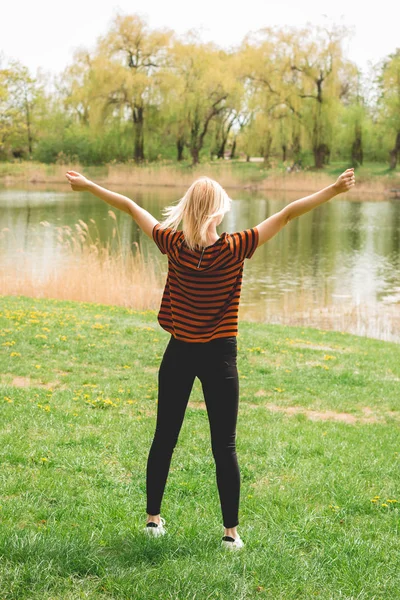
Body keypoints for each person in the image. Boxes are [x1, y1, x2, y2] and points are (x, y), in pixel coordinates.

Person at [65, 167, 356, 550]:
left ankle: (153, 521)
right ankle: (230, 535)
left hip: (179, 353)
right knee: (225, 446)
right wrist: (333, 190)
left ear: (188, 209)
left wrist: (88, 185)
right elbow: (287, 213)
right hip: (220, 357)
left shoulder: (171, 243)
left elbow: (130, 206)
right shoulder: (236, 247)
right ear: (217, 213)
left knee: (164, 438)